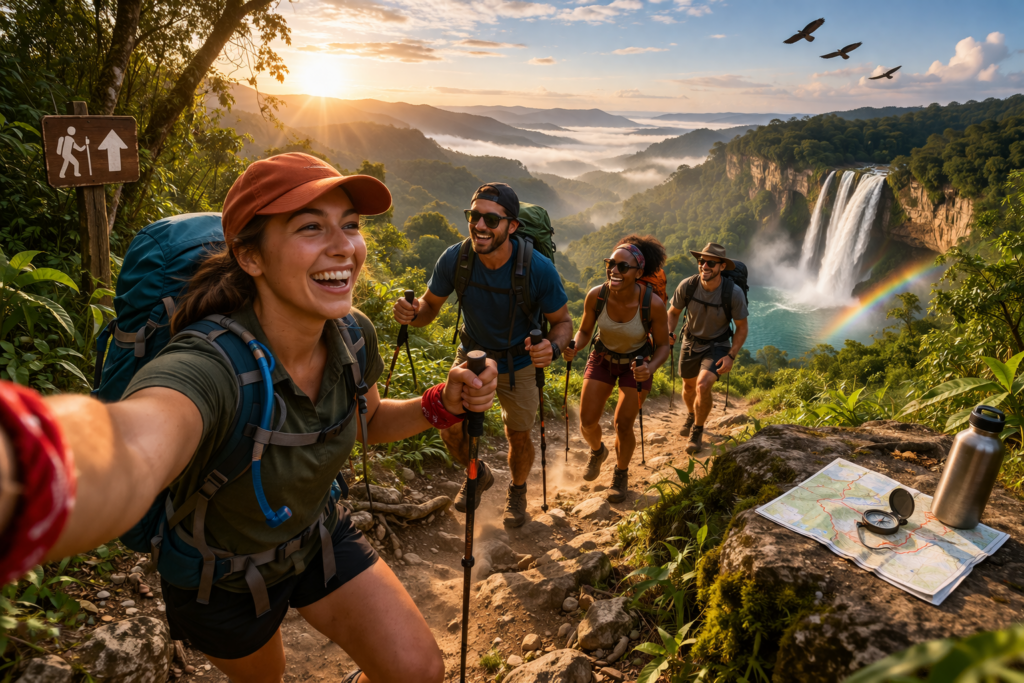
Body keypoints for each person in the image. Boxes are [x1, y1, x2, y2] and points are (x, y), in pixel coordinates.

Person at [0, 153, 499, 683]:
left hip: (315, 536)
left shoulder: (351, 334)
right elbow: (129, 446)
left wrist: (440, 403)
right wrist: (25, 467)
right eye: (311, 227)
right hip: (219, 581)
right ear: (250, 256)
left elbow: (367, 421)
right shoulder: (209, 365)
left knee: (419, 671)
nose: (344, 246)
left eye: (350, 225)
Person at [393, 182, 572, 528]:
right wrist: (412, 313)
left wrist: (552, 346)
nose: (479, 226)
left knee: (517, 435)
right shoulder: (456, 258)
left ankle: (517, 490)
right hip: (472, 356)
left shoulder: (538, 269)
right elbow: (429, 307)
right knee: (450, 430)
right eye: (474, 216)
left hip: (519, 362)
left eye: (491, 219)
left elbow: (563, 322)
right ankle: (478, 472)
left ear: (512, 226)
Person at [562, 236, 670, 502]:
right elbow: (585, 331)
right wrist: (575, 345)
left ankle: (620, 475)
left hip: (636, 365)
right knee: (587, 422)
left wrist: (650, 368)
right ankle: (598, 451)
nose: (614, 271)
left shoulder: (652, 304)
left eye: (623, 267)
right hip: (602, 358)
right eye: (611, 264)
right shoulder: (597, 295)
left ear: (638, 273)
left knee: (623, 424)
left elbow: (663, 346)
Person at [666, 242, 748, 454]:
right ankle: (692, 415)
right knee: (688, 387)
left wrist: (731, 356)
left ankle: (697, 429)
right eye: (702, 261)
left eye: (711, 263)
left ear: (722, 266)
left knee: (702, 386)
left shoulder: (733, 293)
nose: (704, 266)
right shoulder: (688, 285)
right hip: (690, 341)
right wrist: (668, 333)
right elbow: (673, 312)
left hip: (717, 345)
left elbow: (741, 328)